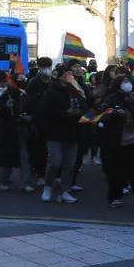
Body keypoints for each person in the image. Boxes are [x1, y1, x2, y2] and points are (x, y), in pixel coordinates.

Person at [98, 74, 134, 209]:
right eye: (124, 82)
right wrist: (114, 113)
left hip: (133, 142)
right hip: (115, 142)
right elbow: (100, 114)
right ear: (118, 84)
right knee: (116, 172)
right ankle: (114, 197)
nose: (127, 84)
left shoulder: (133, 98)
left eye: (128, 81)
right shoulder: (111, 98)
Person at [39, 65, 85, 204]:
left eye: (71, 73)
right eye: (67, 73)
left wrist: (79, 111)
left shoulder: (75, 90)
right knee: (55, 162)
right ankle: (48, 186)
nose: (71, 75)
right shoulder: (51, 91)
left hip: (72, 131)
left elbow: (84, 105)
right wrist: (65, 113)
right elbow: (45, 111)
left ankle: (64, 191)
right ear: (60, 75)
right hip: (55, 132)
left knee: (70, 164)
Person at [0, 71, 25, 192]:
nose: (5, 83)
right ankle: (1, 177)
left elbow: (22, 107)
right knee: (3, 153)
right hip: (3, 127)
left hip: (17, 127)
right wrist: (5, 107)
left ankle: (15, 179)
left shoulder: (17, 93)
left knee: (16, 154)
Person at [22, 57, 53, 190]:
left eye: (49, 66)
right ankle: (39, 174)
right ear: (39, 68)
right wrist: (31, 116)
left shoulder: (54, 82)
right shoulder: (33, 83)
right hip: (37, 120)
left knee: (49, 149)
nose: (47, 69)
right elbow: (30, 102)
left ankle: (48, 175)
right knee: (38, 149)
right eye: (44, 66)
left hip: (52, 120)